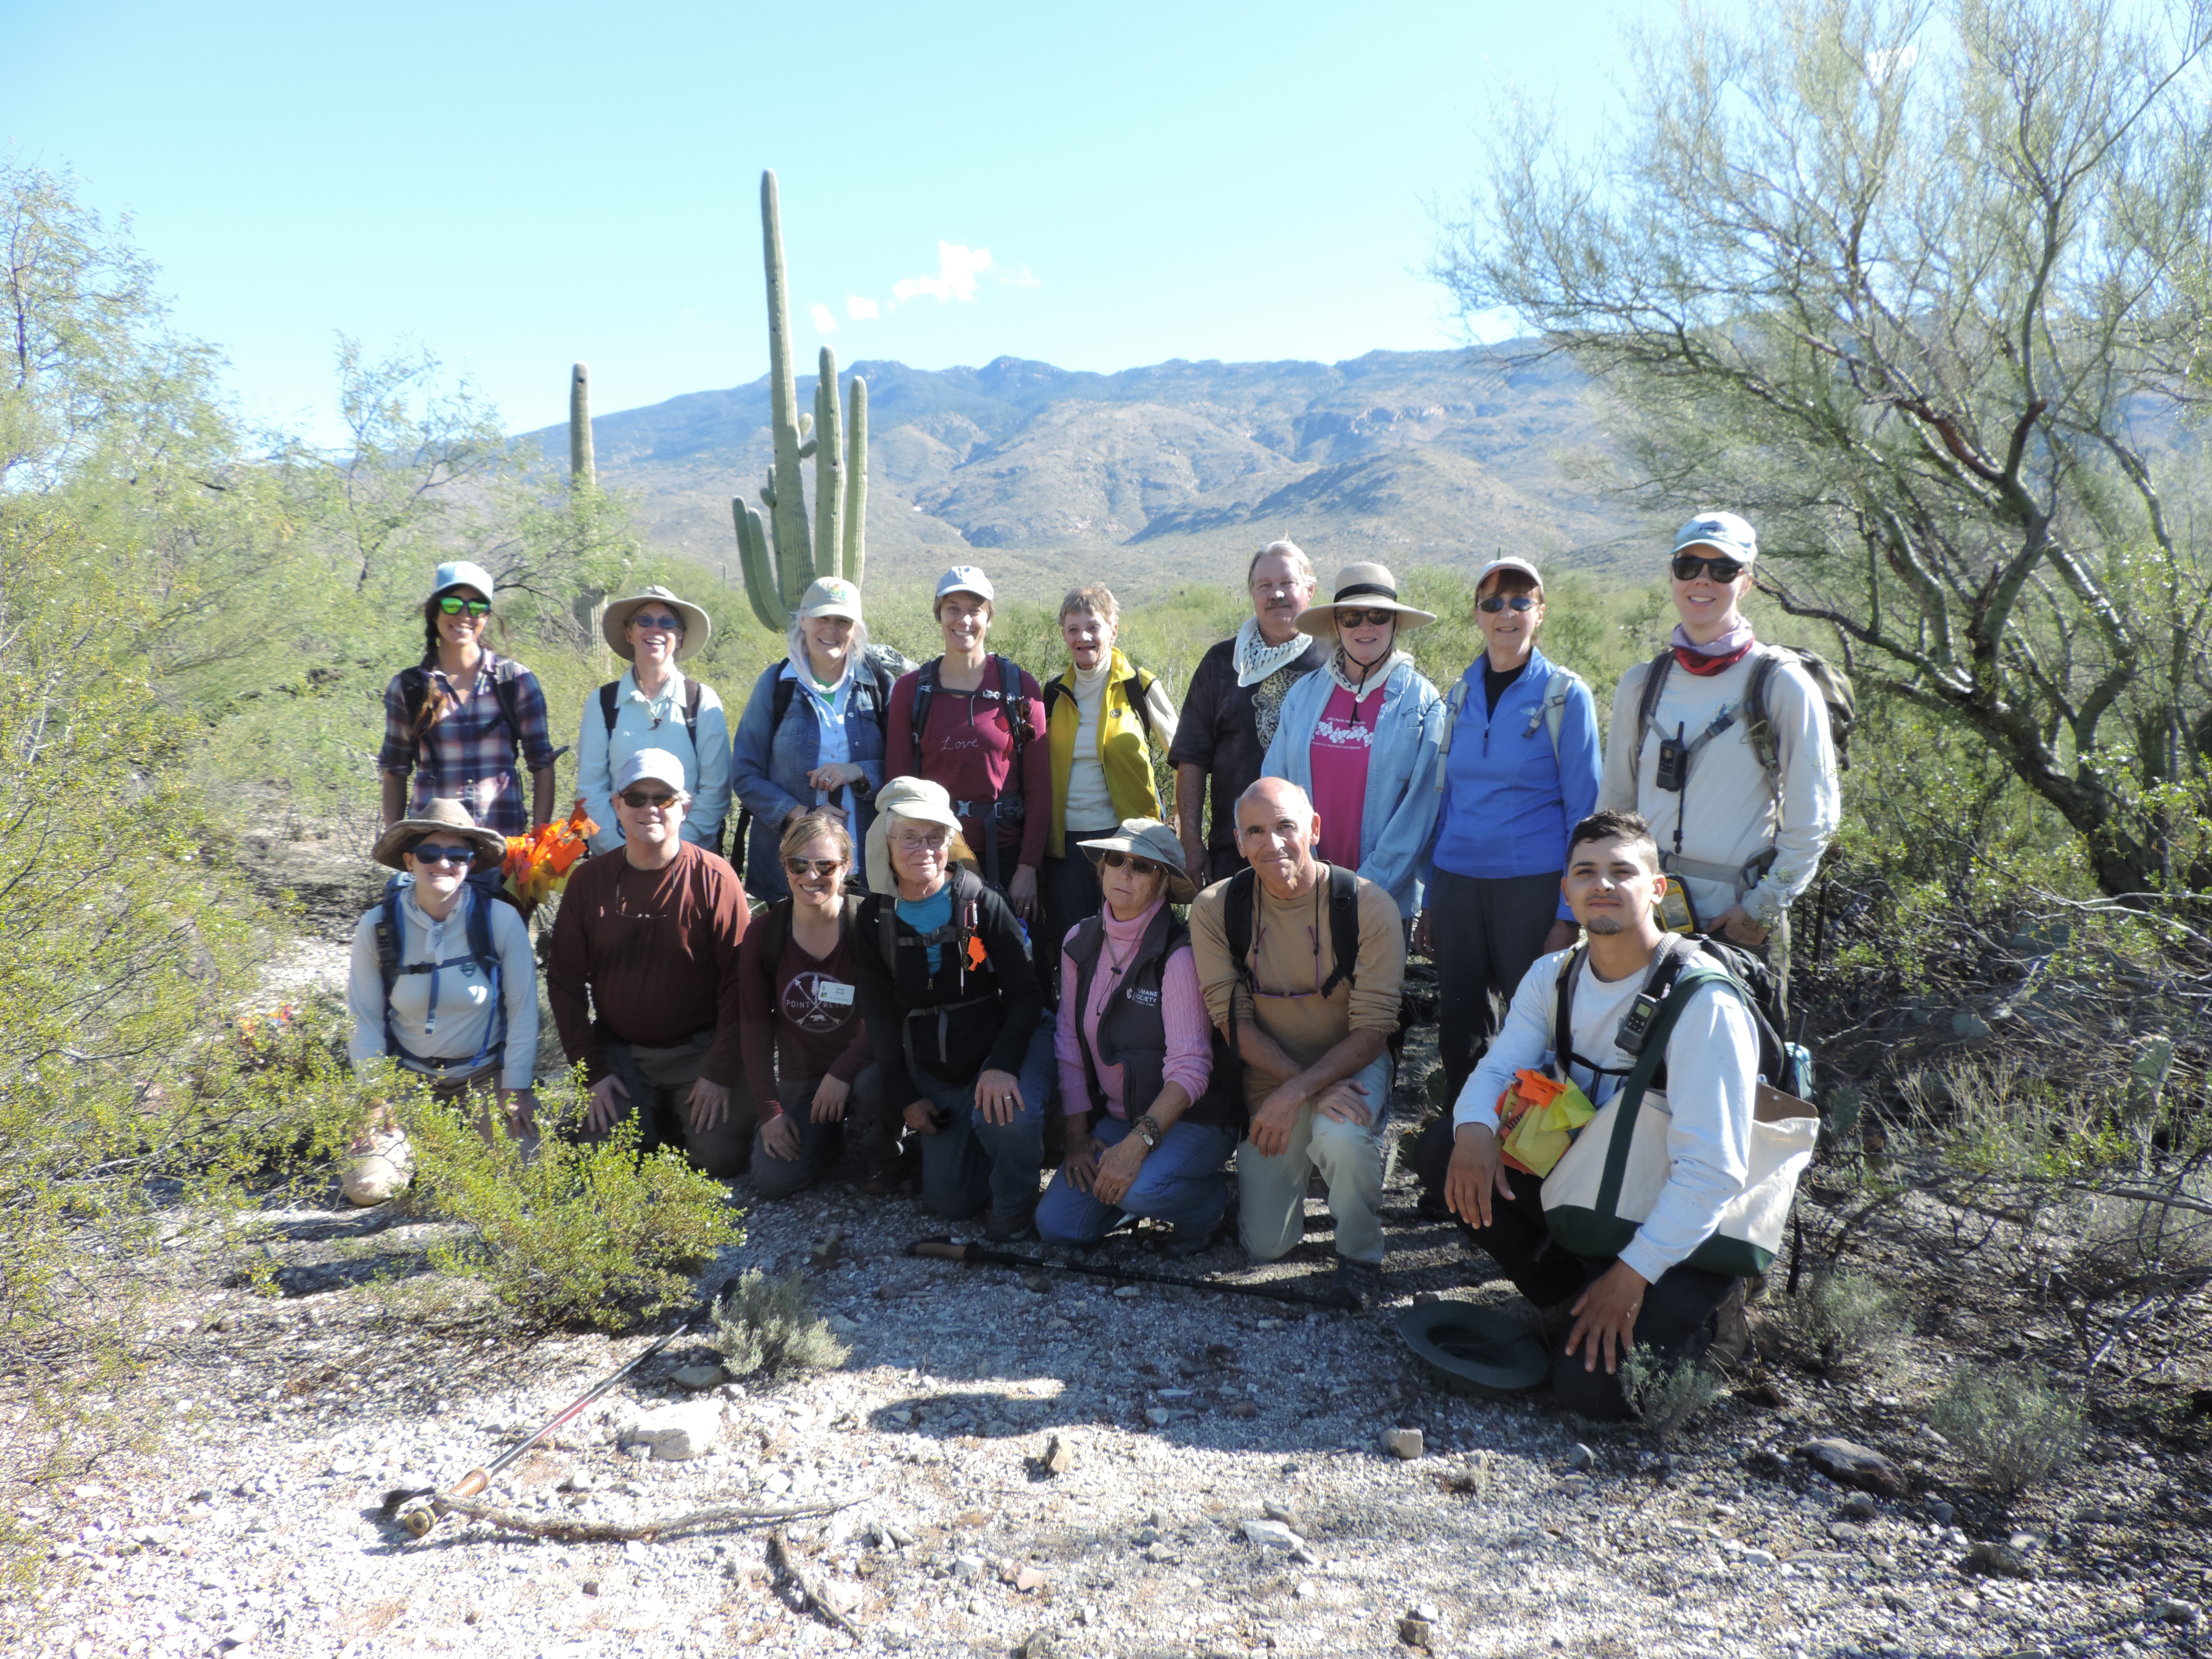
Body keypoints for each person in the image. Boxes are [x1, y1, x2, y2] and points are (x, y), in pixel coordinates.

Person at [1443, 809, 1762, 1419]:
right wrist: (1475, 1129)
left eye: (1623, 871)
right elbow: (1496, 1068)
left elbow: (1714, 1172)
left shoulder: (1701, 1002)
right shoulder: (1553, 976)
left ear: (1657, 889)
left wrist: (1632, 1276)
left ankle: (1711, 1316)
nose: (1603, 885)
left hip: (1684, 1232)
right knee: (1447, 1151)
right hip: (1597, 1188)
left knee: (1591, 1398)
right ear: (1566, 891)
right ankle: (1566, 1299)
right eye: (1586, 872)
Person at [1411, 556, 1603, 1211]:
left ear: (1540, 612)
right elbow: (1446, 801)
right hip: (1461, 882)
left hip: (1532, 885)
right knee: (1461, 1029)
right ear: (1476, 614)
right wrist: (1433, 896)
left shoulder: (1564, 696)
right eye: (1492, 603)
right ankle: (1463, 1170)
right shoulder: (1460, 693)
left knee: (1539, 1035)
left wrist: (1566, 913)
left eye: (1521, 601)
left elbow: (1586, 813)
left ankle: (1534, 1179)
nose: (1506, 614)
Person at [1596, 511, 1841, 985]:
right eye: (1689, 566)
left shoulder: (1782, 684)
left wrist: (1760, 911)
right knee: (1638, 1058)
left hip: (1738, 926)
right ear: (1672, 575)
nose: (1702, 581)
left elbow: (1816, 820)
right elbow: (1615, 807)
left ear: (1746, 582)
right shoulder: (1642, 684)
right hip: (1648, 919)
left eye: (1723, 570)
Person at [1190, 779, 1407, 1309]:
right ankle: (1312, 1157)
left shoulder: (1369, 907)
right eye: (1256, 832)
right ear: (1239, 843)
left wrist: (1304, 1092)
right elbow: (1232, 1023)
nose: (1274, 844)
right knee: (1267, 1247)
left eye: (1286, 826)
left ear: (1313, 829)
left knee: (1344, 1136)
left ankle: (1360, 1255)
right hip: (1271, 1075)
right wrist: (1302, 1092)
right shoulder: (1217, 908)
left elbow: (1374, 1030)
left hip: (1352, 1064)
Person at [851, 778, 1049, 1240]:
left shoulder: (982, 902)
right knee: (952, 1205)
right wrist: (906, 1098)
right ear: (887, 841)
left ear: (951, 841)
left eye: (936, 837)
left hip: (991, 1053)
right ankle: (964, 1151)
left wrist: (1001, 1067)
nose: (925, 849)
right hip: (936, 1069)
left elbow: (1028, 995)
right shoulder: (874, 917)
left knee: (1007, 1114)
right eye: (910, 837)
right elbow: (879, 1012)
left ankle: (1016, 1201)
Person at [1036, 819, 1241, 1255]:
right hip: (1116, 1119)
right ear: (1101, 870)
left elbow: (1191, 1070)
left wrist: (1137, 1145)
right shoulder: (1079, 941)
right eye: (1116, 860)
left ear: (1165, 884)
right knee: (1058, 1227)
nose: (1125, 873)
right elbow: (1069, 1043)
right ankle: (1145, 1191)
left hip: (1193, 1122)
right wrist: (1076, 1139)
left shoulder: (1179, 954)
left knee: (1139, 1189)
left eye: (1144, 866)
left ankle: (1212, 1205)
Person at [547, 749, 752, 1176]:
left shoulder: (716, 879)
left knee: (721, 1159)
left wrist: (719, 1071)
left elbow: (742, 986)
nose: (650, 808)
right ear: (617, 805)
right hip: (621, 1053)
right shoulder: (588, 882)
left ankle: (668, 1121)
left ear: (686, 807)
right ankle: (642, 1116)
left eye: (664, 798)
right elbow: (565, 984)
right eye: (636, 797)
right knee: (605, 1161)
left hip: (699, 1050)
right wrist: (593, 1073)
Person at [342, 799, 540, 1204]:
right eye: (431, 854)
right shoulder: (377, 926)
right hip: (407, 1082)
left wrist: (516, 1084)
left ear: (471, 864)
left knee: (528, 1178)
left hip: (485, 1078)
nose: (444, 864)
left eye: (457, 856)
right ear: (410, 860)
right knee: (368, 1189)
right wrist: (375, 1096)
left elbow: (523, 1011)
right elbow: (364, 1019)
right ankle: (423, 1152)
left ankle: (441, 1154)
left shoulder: (500, 921)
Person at [1261, 562, 1445, 922]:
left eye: (1378, 615)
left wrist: (1364, 887)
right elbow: (1274, 785)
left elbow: (1421, 812)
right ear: (1336, 625)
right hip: (1302, 891)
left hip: (1384, 899)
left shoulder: (1422, 703)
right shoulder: (1305, 694)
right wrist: (1302, 876)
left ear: (1395, 624)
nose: (1365, 626)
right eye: (1351, 617)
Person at [1039, 584, 1180, 1004]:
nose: (1084, 638)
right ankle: (1075, 1044)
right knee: (1074, 947)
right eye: (1074, 629)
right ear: (1063, 635)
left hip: (1127, 843)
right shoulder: (1052, 694)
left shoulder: (1139, 687)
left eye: (1093, 627)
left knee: (1131, 942)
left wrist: (1177, 823)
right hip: (1066, 847)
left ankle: (1135, 1031)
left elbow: (1186, 755)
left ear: (1114, 630)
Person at [740, 810, 891, 1199]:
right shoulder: (765, 933)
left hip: (863, 1069)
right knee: (774, 1181)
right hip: (802, 1076)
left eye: (825, 865)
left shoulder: (867, 925)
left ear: (846, 868)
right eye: (798, 865)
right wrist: (769, 1112)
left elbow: (887, 1014)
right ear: (784, 867)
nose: (811, 877)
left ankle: (886, 1154)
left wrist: (842, 1072)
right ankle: (828, 1141)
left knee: (875, 1086)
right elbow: (755, 1026)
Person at [377, 562, 560, 882]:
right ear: (434, 613)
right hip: (434, 855)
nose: (464, 615)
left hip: (503, 851)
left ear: (487, 617)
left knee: (499, 932)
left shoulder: (514, 681)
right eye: (452, 604)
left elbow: (542, 765)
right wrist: (396, 843)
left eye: (477, 607)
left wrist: (537, 842)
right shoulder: (408, 688)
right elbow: (395, 772)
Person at [885, 567, 1050, 920]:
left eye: (975, 609)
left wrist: (1029, 868)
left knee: (1013, 965)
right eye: (953, 608)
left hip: (1007, 856)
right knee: (947, 968)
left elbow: (1040, 787)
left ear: (989, 617)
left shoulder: (1020, 688)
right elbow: (898, 789)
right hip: (935, 857)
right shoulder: (911, 691)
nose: (964, 620)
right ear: (939, 615)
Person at [729, 576, 903, 901]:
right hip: (793, 869)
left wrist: (861, 771)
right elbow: (745, 773)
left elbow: (905, 766)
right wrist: (804, 816)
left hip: (865, 864)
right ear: (804, 620)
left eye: (843, 621)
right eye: (823, 618)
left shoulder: (878, 684)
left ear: (856, 628)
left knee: (862, 948)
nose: (832, 630)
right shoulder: (777, 685)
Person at [1170, 541, 1328, 884]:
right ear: (1253, 594)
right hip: (1236, 852)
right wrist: (1192, 843)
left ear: (1310, 590)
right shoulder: (1221, 663)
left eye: (1288, 583)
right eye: (1265, 586)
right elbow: (1192, 759)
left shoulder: (1336, 660)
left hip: (1321, 853)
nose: (1277, 595)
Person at [575, 585, 731, 857]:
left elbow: (716, 789)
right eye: (644, 621)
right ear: (629, 633)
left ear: (680, 637)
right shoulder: (602, 702)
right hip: (616, 857)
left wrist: (677, 850)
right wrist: (621, 851)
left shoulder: (702, 701)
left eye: (668, 623)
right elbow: (591, 789)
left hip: (690, 856)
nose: (655, 629)